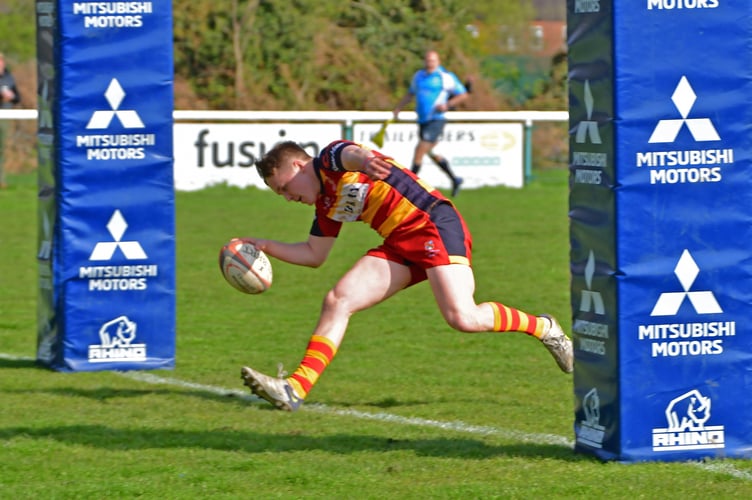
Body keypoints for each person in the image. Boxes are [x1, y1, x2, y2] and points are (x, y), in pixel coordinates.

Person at [238, 139, 573, 411]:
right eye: (279, 194)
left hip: (433, 224)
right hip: (399, 242)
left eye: (284, 187)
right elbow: (314, 255)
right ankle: (294, 389)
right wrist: (263, 244)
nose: (286, 197)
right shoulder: (325, 205)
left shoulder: (327, 159)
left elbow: (349, 154)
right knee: (338, 300)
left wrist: (365, 160)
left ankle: (544, 328)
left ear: (298, 166)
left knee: (463, 317)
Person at [392, 50, 468, 197]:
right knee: (432, 153)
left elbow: (463, 94)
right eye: (428, 60)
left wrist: (448, 104)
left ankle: (409, 187)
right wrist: (399, 107)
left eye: (433, 61)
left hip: (437, 119)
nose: (430, 63)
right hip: (422, 120)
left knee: (419, 150)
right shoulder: (419, 76)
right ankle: (455, 179)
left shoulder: (445, 77)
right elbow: (410, 93)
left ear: (438, 62)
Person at [0, 52, 21, 190]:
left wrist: (10, 98)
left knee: (1, 149)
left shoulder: (9, 78)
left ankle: (1, 180)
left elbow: (18, 98)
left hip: (4, 117)